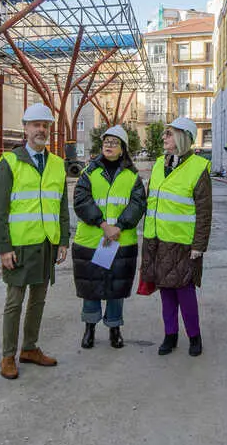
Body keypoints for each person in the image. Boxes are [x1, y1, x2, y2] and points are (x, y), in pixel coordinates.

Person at [0, 103, 69, 380]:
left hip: (47, 243)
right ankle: (8, 356)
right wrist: (4, 248)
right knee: (15, 302)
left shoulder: (57, 164)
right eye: (36, 124)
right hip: (20, 245)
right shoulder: (10, 162)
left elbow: (61, 205)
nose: (41, 130)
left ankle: (30, 348)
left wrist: (63, 240)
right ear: (25, 128)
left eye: (45, 125)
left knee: (39, 300)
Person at [139, 117, 212, 356]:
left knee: (185, 293)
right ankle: (170, 335)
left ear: (182, 137)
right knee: (166, 291)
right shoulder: (159, 164)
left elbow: (204, 211)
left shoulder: (198, 167)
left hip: (183, 244)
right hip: (157, 240)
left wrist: (199, 245)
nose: (164, 137)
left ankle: (194, 336)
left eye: (169, 134)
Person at [71, 124, 147, 349]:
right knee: (91, 288)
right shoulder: (89, 173)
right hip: (92, 241)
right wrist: (104, 225)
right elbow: (81, 201)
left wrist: (119, 226)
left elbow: (138, 204)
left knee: (116, 289)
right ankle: (90, 328)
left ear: (123, 149)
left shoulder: (132, 176)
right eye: (106, 142)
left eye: (114, 143)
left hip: (120, 242)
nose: (109, 146)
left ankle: (115, 328)